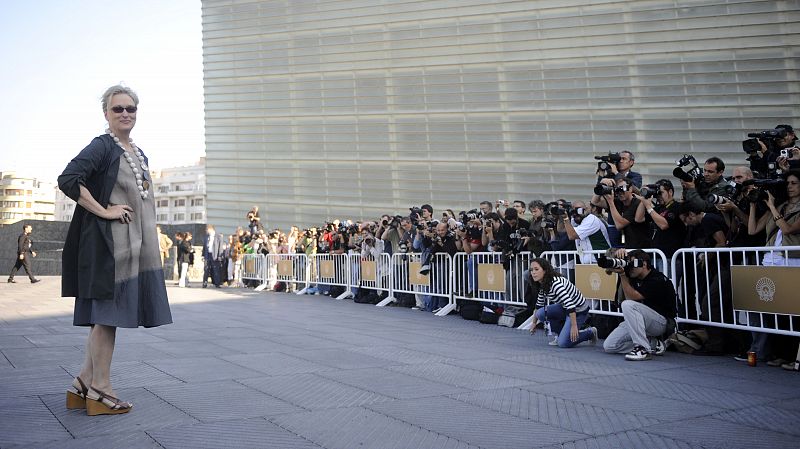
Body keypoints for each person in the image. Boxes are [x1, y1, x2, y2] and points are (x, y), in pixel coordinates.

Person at [58, 84, 172, 416]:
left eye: (130, 109)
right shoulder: (102, 146)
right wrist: (105, 210)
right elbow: (68, 178)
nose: (125, 114)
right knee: (106, 319)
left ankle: (83, 382)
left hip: (134, 248)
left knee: (107, 319)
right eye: (117, 109)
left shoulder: (137, 152)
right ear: (106, 113)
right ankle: (101, 390)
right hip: (110, 248)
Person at [747, 169, 800, 371]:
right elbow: (753, 230)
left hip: (791, 261)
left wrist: (771, 206)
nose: (790, 186)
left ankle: (791, 355)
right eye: (788, 183)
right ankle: (778, 353)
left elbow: (787, 230)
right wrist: (753, 204)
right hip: (770, 260)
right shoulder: (781, 206)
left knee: (791, 311)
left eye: (794, 183)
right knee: (773, 311)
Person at [603, 250, 676, 361]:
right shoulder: (632, 276)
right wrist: (619, 255)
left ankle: (643, 349)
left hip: (661, 322)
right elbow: (609, 272)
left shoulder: (657, 279)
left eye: (632, 264)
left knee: (628, 304)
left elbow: (632, 298)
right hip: (640, 319)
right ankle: (653, 344)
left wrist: (623, 275)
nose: (630, 268)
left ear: (644, 264)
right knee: (610, 346)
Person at [528, 258, 598, 348]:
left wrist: (574, 326)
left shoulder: (555, 283)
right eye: (531, 270)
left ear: (545, 270)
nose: (533, 272)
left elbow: (571, 305)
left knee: (564, 343)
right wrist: (534, 323)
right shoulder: (542, 283)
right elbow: (538, 305)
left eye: (536, 269)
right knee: (540, 313)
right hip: (565, 307)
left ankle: (590, 333)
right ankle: (561, 334)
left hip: (578, 310)